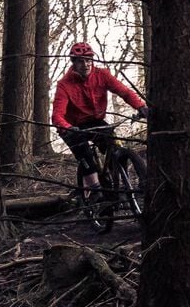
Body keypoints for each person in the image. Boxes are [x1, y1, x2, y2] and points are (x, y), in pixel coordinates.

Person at [52, 41, 148, 193]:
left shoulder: (102, 75)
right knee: (85, 154)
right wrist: (66, 128)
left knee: (115, 147)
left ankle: (120, 186)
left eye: (88, 59)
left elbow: (124, 92)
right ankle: (95, 191)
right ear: (74, 63)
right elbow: (57, 115)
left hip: (96, 122)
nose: (86, 64)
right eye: (81, 61)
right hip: (72, 127)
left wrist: (141, 107)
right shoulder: (64, 84)